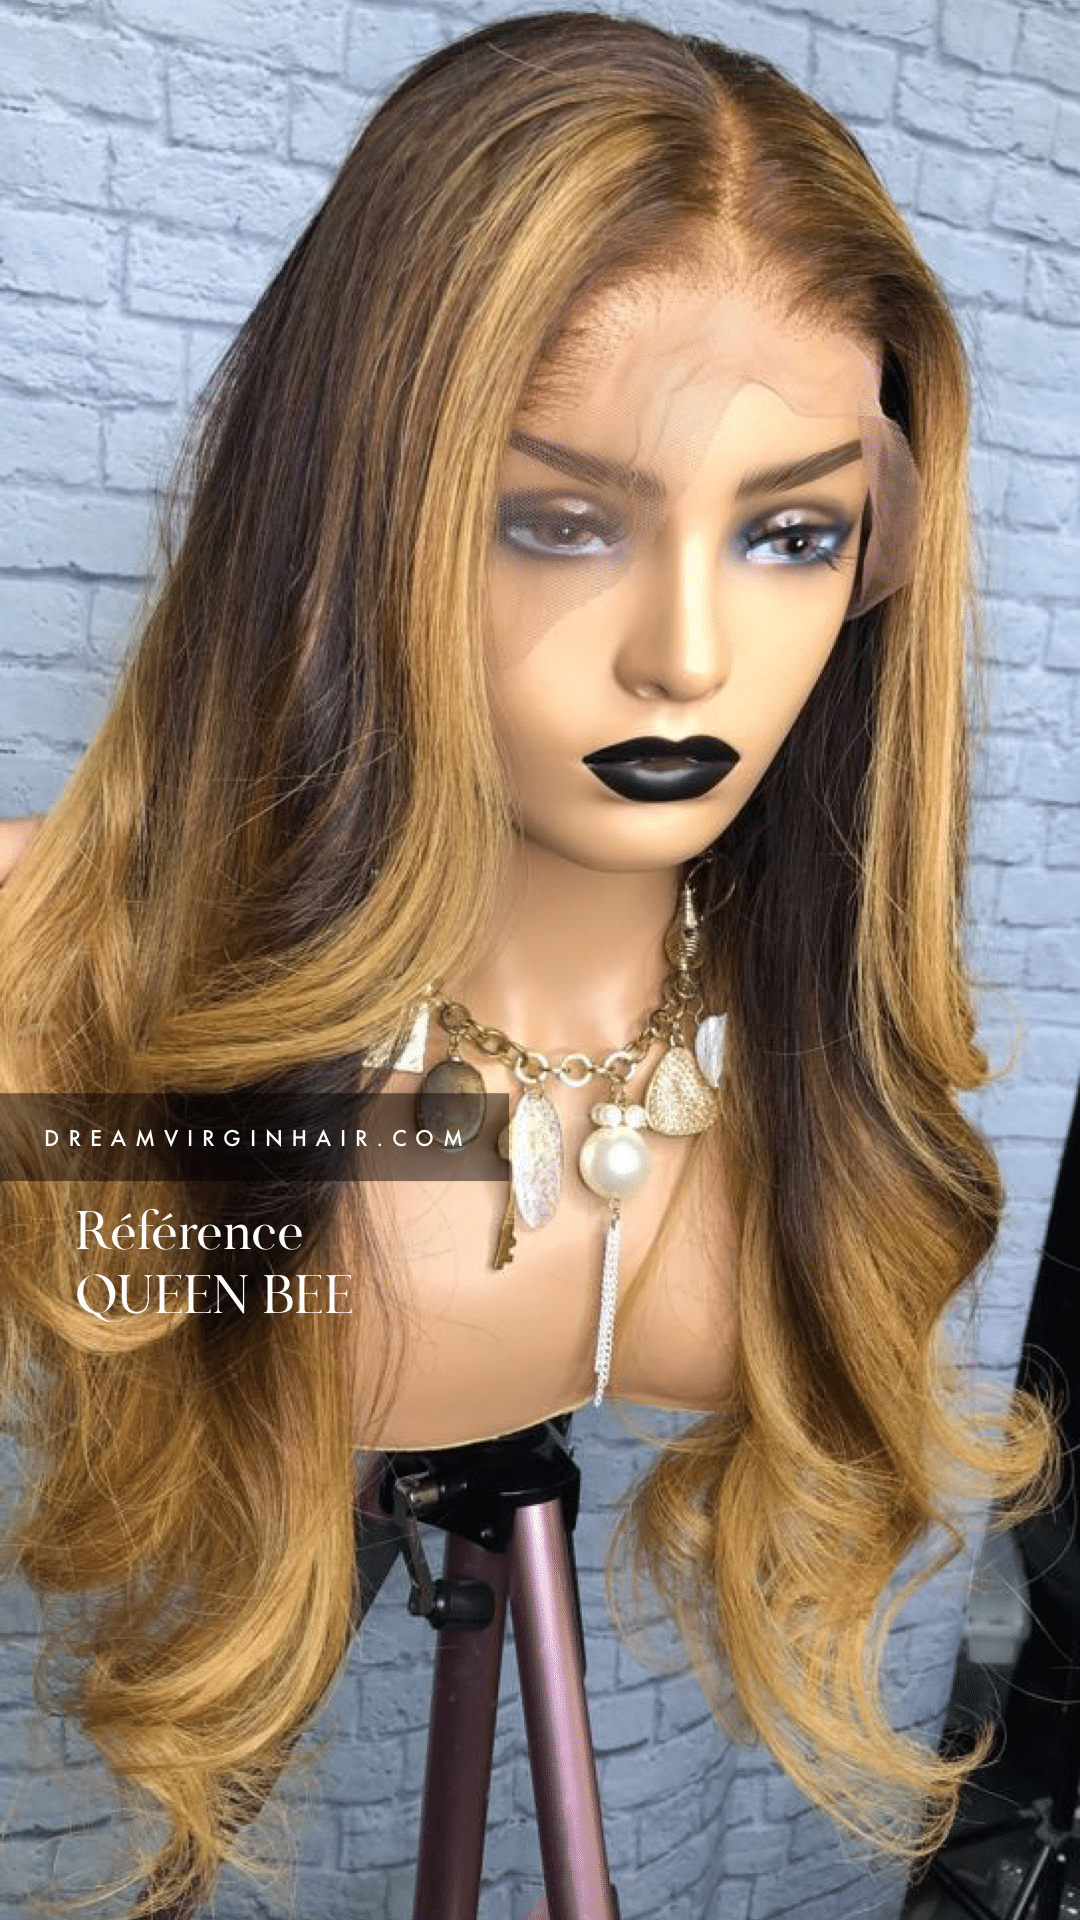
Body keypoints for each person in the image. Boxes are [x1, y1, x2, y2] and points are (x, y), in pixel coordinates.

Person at [0, 12, 1059, 1917]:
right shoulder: (55, 983)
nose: (684, 655)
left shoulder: (822, 1077)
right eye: (558, 520)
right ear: (352, 520)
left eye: (791, 533)